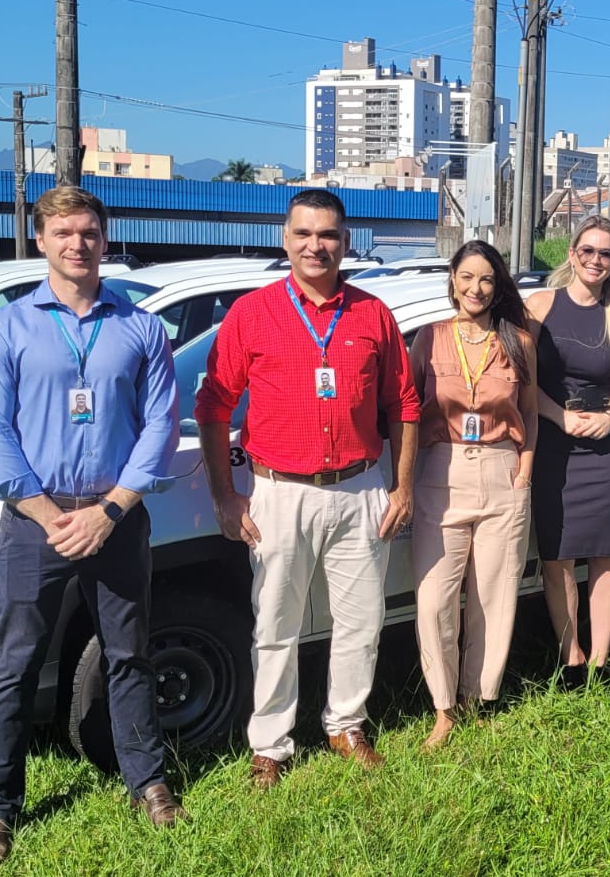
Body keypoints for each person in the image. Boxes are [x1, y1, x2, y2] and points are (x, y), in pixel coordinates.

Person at [0, 187, 183, 870]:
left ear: (104, 239)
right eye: (63, 232)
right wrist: (56, 518)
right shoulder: (6, 329)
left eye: (88, 231)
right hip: (38, 521)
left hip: (117, 517)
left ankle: (146, 781)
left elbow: (161, 427)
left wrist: (109, 511)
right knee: (16, 665)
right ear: (41, 241)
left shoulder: (140, 327)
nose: (77, 243)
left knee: (130, 655)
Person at [195, 189, 420, 788]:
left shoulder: (373, 314)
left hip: (359, 489)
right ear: (285, 239)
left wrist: (401, 488)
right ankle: (270, 742)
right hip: (278, 492)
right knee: (275, 622)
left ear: (346, 242)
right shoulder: (253, 313)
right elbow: (214, 404)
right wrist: (224, 495)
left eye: (328, 235)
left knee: (360, 620)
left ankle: (346, 724)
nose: (315, 245)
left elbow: (403, 404)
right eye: (304, 234)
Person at [410, 241, 537, 748]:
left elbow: (528, 414)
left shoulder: (519, 342)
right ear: (452, 280)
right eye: (466, 277)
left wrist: (524, 472)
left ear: (497, 284)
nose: (475, 289)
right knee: (435, 600)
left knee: (493, 595)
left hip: (503, 472)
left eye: (486, 279)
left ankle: (478, 698)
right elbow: (408, 413)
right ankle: (443, 706)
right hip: (441, 474)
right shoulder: (429, 338)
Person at [527, 216, 610, 685]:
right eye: (588, 250)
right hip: (554, 444)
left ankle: (600, 658)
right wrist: (560, 417)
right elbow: (523, 381)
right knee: (557, 556)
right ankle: (571, 657)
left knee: (604, 554)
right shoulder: (540, 306)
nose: (596, 260)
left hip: (605, 448)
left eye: (606, 253)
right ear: (572, 253)